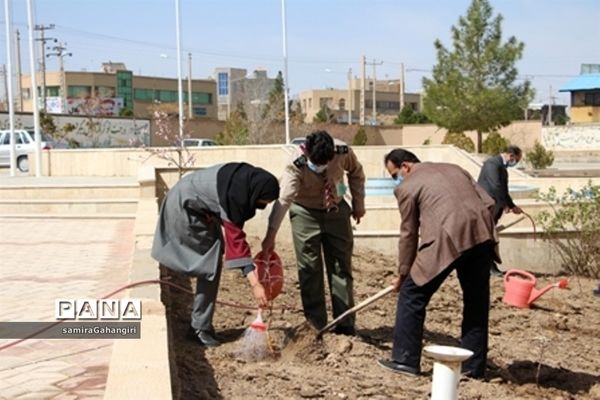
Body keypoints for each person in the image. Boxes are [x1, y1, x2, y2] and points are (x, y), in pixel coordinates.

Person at [378, 149, 499, 379]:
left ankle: (405, 360)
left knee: (411, 295)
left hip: (446, 240)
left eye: (395, 174)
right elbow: (489, 203)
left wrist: (403, 273)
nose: (397, 180)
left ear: (405, 166)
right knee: (476, 303)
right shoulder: (455, 168)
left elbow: (409, 234)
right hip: (481, 236)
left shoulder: (407, 187)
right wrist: (479, 227)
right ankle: (473, 368)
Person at [151, 162, 280, 347]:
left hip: (194, 207)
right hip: (183, 208)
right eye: (263, 201)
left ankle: (202, 323)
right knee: (209, 265)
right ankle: (199, 328)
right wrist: (255, 284)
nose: (262, 207)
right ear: (255, 193)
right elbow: (236, 243)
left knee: (214, 254)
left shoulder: (240, 182)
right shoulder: (234, 196)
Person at [262, 130, 365, 335]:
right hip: (305, 212)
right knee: (309, 267)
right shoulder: (296, 164)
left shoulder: (342, 151)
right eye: (316, 163)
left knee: (341, 265)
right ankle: (315, 322)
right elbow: (284, 200)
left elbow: (356, 173)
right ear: (307, 153)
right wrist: (270, 235)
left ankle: (345, 322)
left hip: (336, 209)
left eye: (325, 163)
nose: (321, 167)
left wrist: (358, 203)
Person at [477, 145, 523, 276]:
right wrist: (504, 205)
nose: (515, 163)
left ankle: (490, 266)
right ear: (511, 156)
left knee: (490, 236)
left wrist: (512, 206)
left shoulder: (502, 169)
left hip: (495, 207)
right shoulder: (492, 164)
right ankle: (489, 267)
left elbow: (504, 190)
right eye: (517, 160)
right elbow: (495, 186)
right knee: (487, 236)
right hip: (487, 207)